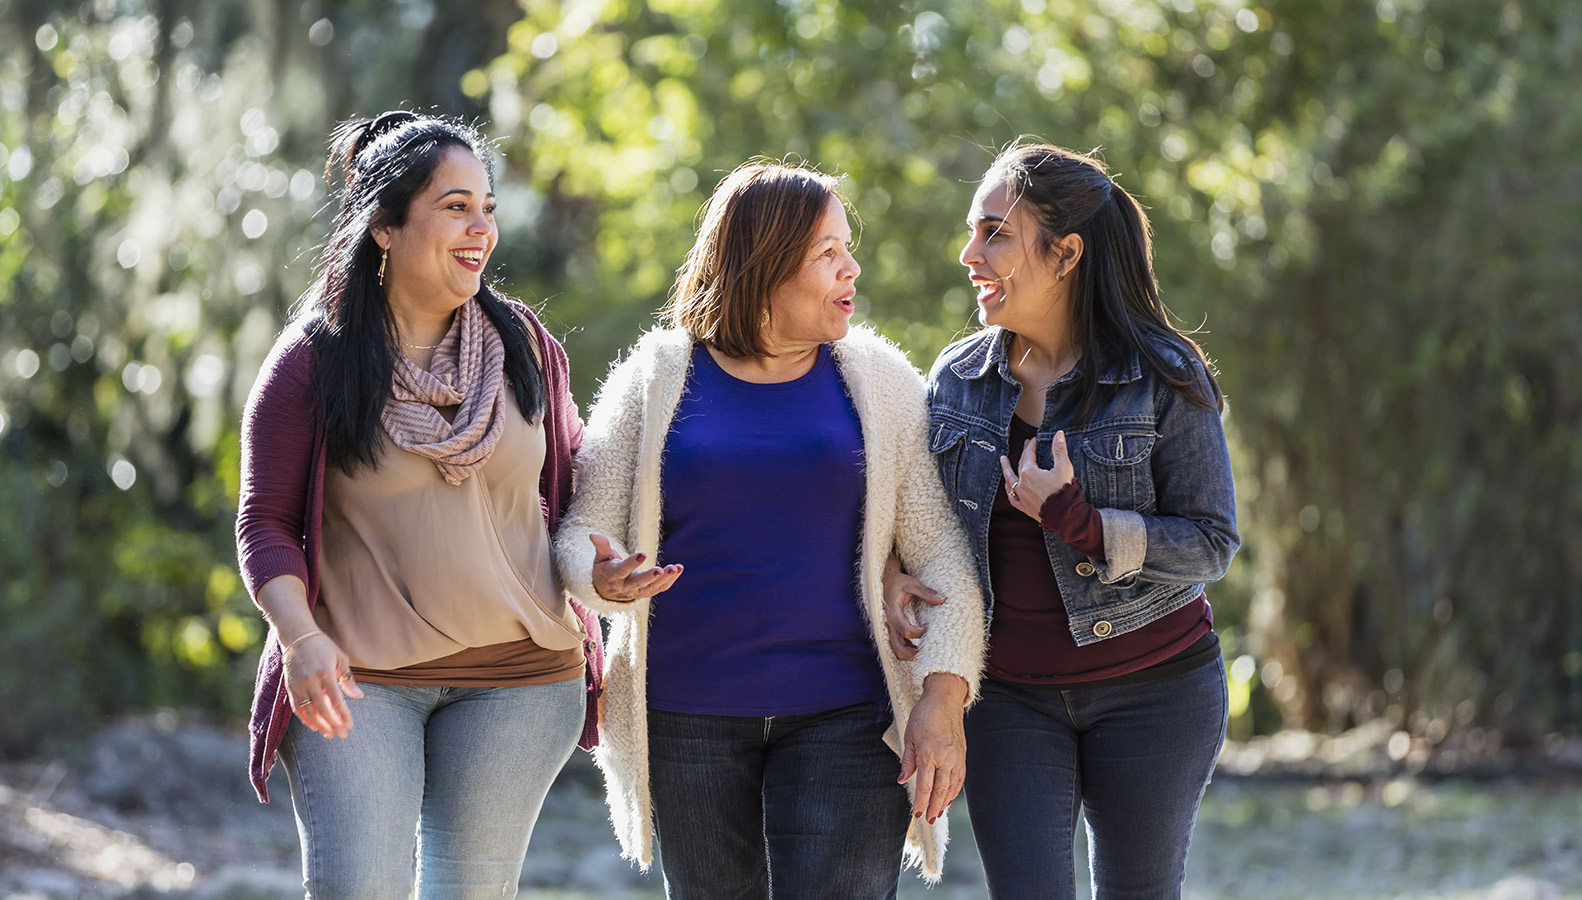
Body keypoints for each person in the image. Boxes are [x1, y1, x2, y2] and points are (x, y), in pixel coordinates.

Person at [552, 160, 985, 897]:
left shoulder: (877, 381)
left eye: (847, 249)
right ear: (765, 263)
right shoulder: (655, 378)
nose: (852, 267)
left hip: (847, 713)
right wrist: (598, 576)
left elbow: (941, 549)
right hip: (685, 716)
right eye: (828, 253)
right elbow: (580, 528)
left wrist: (943, 696)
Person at [234, 111, 601, 899]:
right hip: (356, 679)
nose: (482, 229)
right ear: (385, 227)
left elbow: (576, 499)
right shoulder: (314, 361)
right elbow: (264, 522)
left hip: (521, 681)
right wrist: (299, 639)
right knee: (359, 887)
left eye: (488, 208)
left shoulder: (525, 346)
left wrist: (608, 567)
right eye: (456, 206)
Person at [892, 143, 1240, 898]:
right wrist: (892, 571)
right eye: (973, 232)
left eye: (994, 233)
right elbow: (923, 525)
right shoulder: (956, 378)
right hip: (1010, 698)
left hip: (1157, 691)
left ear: (1066, 253)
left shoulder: (1164, 374)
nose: (969, 254)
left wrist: (1082, 522)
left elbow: (1212, 543)